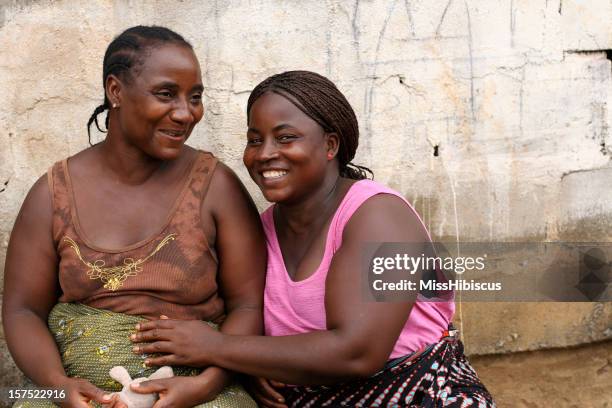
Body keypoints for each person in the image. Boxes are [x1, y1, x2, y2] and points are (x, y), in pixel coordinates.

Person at [129, 70, 496, 407]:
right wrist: (251, 365)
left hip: (418, 397)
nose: (265, 154)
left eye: (286, 138)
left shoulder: (380, 217)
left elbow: (357, 352)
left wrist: (219, 349)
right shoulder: (260, 231)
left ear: (330, 145)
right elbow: (248, 320)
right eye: (255, 140)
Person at [2, 26, 264, 408]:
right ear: (115, 91)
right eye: (166, 94)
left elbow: (249, 306)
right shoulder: (53, 193)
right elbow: (22, 310)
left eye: (195, 98)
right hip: (70, 390)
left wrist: (207, 386)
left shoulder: (217, 187)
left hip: (194, 389)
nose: (185, 113)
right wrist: (56, 385)